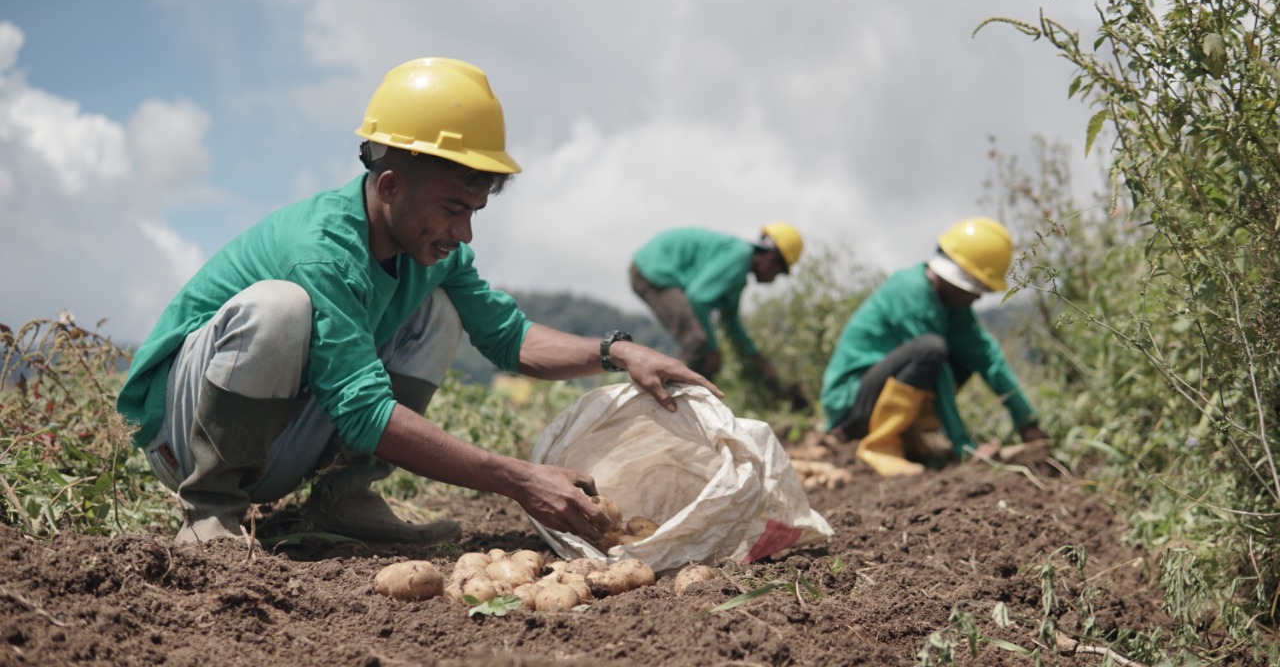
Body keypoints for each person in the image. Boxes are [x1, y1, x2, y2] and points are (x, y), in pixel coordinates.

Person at [115, 57, 720, 546]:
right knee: (280, 309)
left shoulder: (434, 254)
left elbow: (509, 338)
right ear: (390, 186)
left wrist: (619, 352)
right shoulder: (322, 252)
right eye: (454, 209)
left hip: (276, 443)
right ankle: (210, 510)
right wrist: (520, 480)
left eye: (474, 212)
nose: (464, 232)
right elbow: (366, 413)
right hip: (188, 436)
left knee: (443, 309)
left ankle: (342, 499)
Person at [819, 217, 1047, 477]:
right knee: (931, 350)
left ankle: (907, 437)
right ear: (958, 279)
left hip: (878, 393)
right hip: (850, 403)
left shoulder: (951, 305)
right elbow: (937, 373)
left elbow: (987, 357)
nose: (977, 297)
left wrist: (1027, 422)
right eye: (976, 288)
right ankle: (880, 445)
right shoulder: (910, 292)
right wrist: (964, 445)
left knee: (964, 357)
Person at [629, 224, 806, 407]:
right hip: (652, 270)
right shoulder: (739, 256)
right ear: (771, 259)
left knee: (702, 349)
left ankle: (691, 408)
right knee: (697, 342)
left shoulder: (737, 271)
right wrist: (713, 349)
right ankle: (669, 407)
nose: (774, 278)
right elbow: (698, 297)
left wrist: (756, 356)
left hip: (653, 266)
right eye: (779, 272)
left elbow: (731, 322)